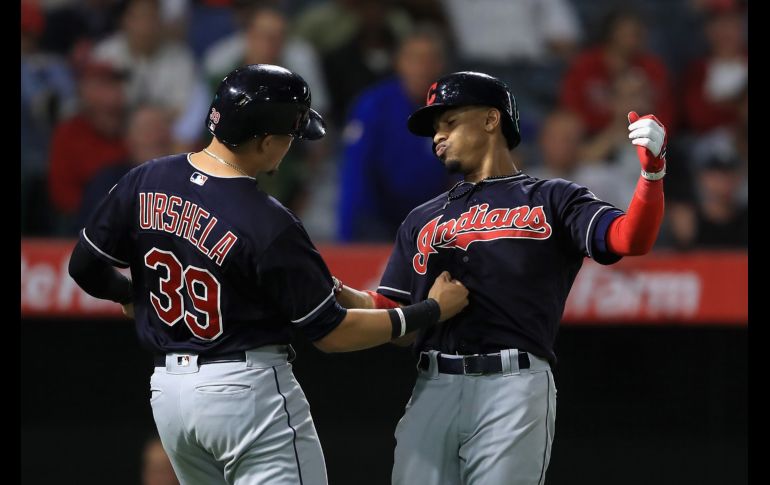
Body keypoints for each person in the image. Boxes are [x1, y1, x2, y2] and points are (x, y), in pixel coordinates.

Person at [67, 64, 469, 485]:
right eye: (289, 136)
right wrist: (429, 311)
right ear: (264, 141)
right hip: (245, 392)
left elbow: (84, 266)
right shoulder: (268, 221)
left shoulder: (145, 178)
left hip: (169, 396)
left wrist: (129, 296)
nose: (291, 145)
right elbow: (333, 334)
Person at [333, 71, 668, 484]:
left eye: (450, 122)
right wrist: (337, 291)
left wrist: (652, 176)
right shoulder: (421, 218)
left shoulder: (554, 198)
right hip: (432, 385)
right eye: (435, 128)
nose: (438, 136)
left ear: (492, 119)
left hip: (512, 386)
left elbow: (628, 238)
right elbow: (395, 316)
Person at [337, 25, 453, 242]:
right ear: (399, 63)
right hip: (379, 219)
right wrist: (346, 240)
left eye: (430, 60)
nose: (422, 68)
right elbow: (355, 174)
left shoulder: (454, 110)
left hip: (434, 219)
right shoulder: (373, 106)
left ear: (441, 65)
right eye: (415, 59)